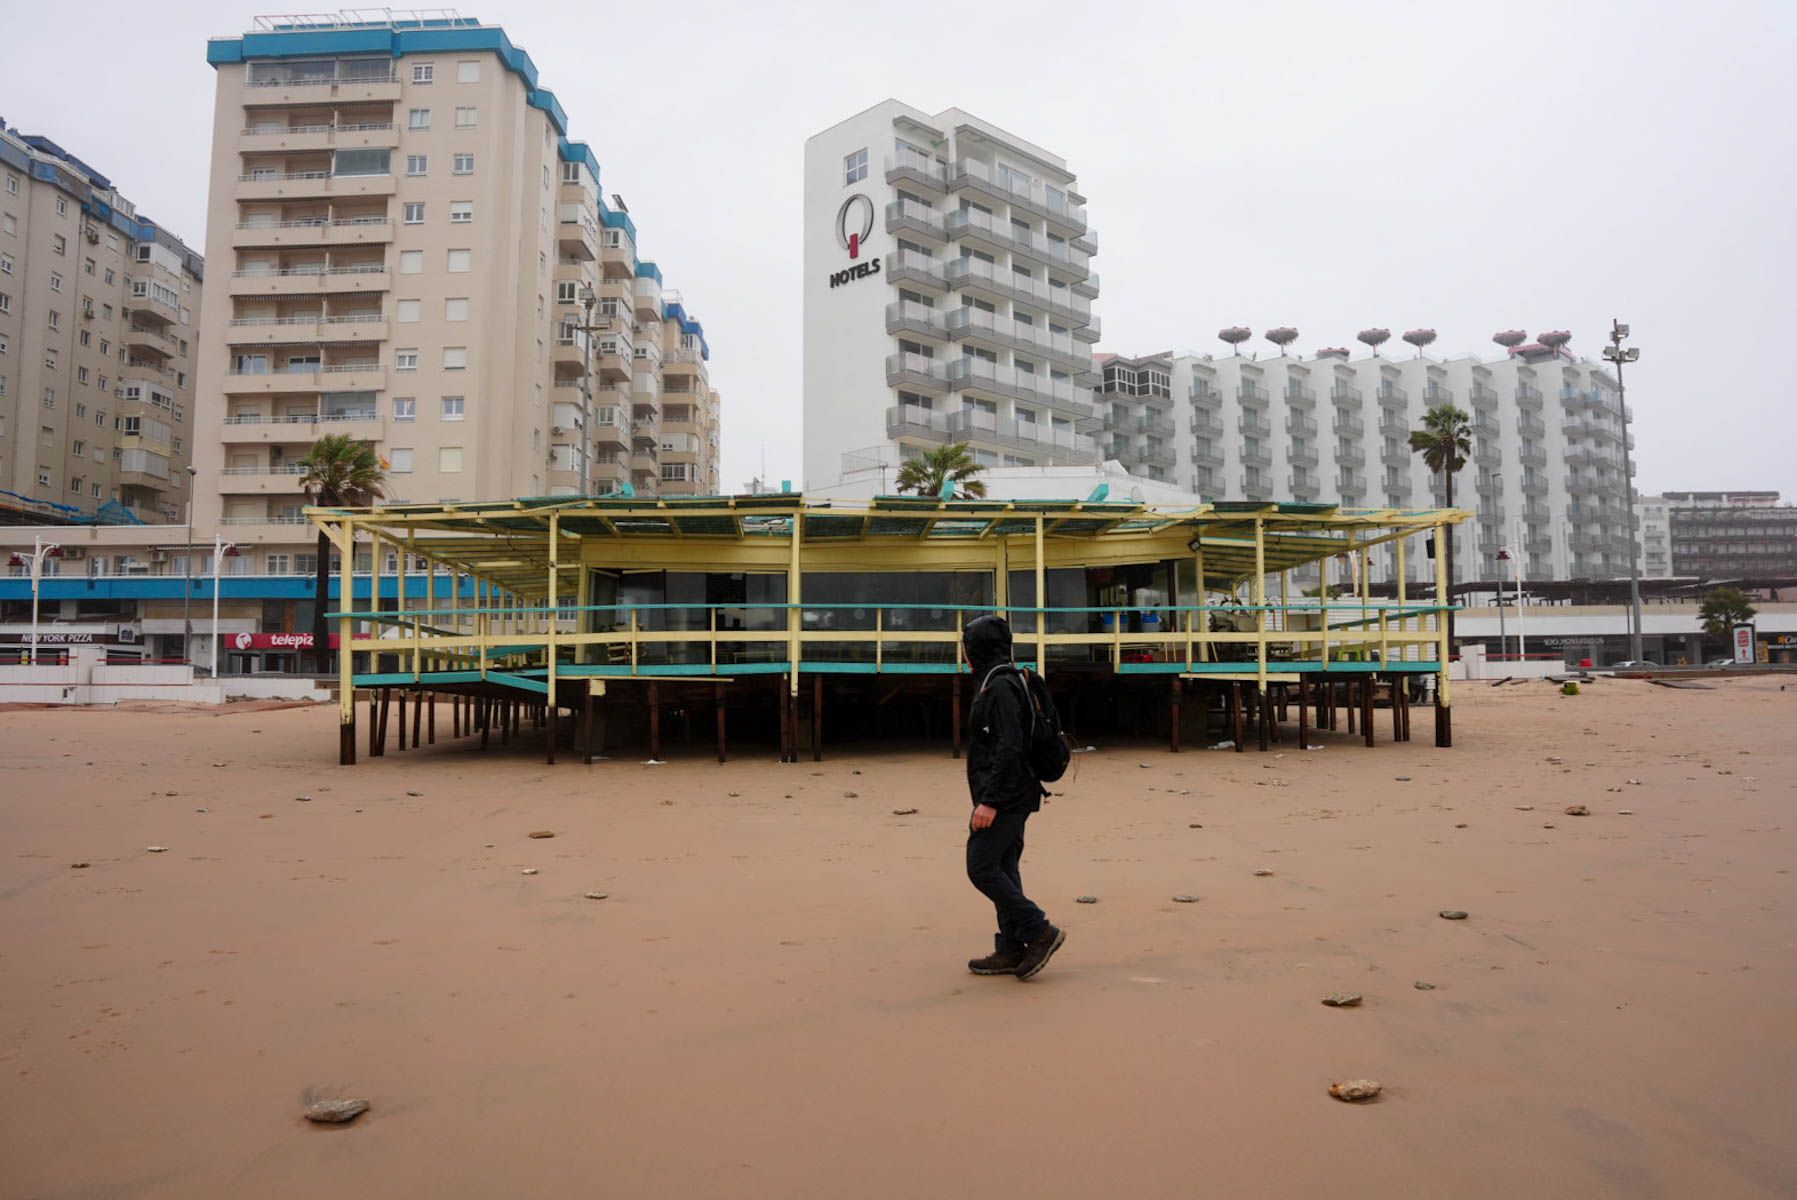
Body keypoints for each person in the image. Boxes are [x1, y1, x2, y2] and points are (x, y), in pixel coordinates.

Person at [961, 614, 1065, 980]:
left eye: (967, 645)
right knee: (1004, 866)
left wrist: (989, 802)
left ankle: (1038, 930)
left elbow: (1009, 748)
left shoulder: (1002, 686)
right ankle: (1010, 948)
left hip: (1008, 794)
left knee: (981, 866)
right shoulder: (1003, 679)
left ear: (976, 650)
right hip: (1013, 791)